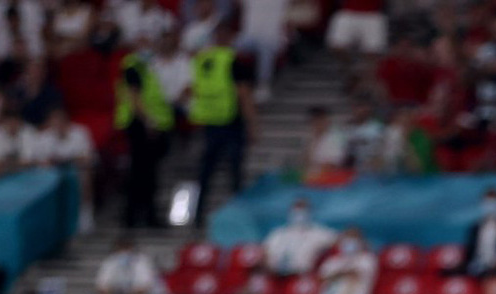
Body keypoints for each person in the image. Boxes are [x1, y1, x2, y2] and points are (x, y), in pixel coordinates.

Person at [190, 23, 257, 227]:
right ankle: (238, 214)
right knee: (234, 171)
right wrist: (253, 123)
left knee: (205, 173)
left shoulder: (201, 60)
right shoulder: (233, 60)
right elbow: (243, 93)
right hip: (230, 122)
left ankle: (197, 216)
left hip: (209, 122)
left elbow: (194, 89)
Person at [115, 37, 175, 229]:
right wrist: (149, 122)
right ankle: (135, 216)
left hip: (146, 125)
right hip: (139, 126)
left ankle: (141, 215)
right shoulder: (133, 66)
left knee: (146, 174)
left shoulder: (147, 66)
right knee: (141, 174)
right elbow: (135, 97)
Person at [263, 198, 338, 277]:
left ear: (310, 212)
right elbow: (265, 253)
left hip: (303, 276)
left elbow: (339, 239)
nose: (300, 215)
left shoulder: (320, 233)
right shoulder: (278, 234)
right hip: (275, 276)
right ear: (290, 212)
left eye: (303, 211)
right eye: (297, 211)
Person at [93, 237, 164, 294]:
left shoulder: (142, 262)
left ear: (132, 248)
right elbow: (101, 288)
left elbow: (143, 290)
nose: (123, 252)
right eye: (121, 248)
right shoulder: (110, 262)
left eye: (126, 248)